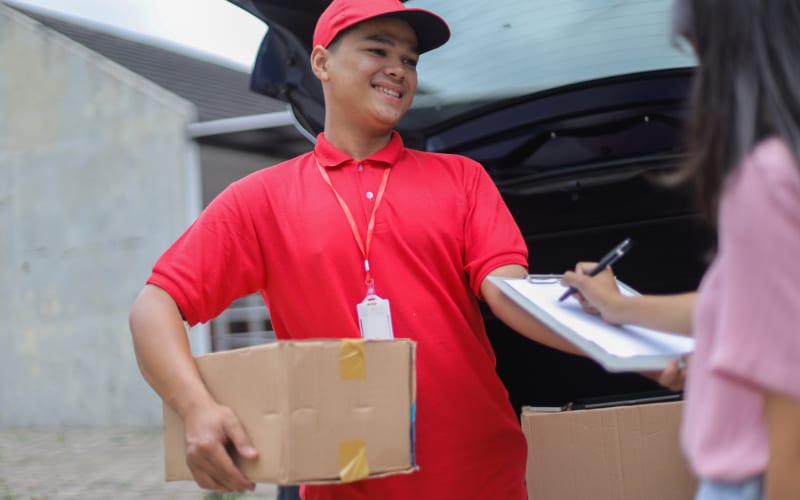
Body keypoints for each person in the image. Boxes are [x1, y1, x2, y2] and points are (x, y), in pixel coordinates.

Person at [128, 0, 584, 498]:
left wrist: (622, 333)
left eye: (410, 59)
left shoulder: (462, 179)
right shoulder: (260, 199)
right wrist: (196, 408)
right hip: (342, 487)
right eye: (378, 49)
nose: (398, 68)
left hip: (480, 476)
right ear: (321, 63)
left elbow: (510, 294)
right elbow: (155, 307)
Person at [561, 1, 800, 499]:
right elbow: (748, 305)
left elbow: (789, 381)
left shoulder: (766, 178)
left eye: (699, 59)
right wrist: (619, 307)